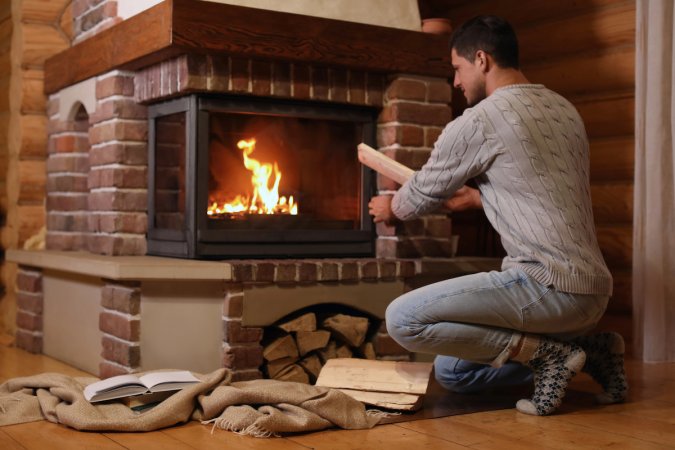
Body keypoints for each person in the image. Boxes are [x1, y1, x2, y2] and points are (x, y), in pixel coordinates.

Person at [368, 15, 628, 416]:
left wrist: (391, 208)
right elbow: (544, 187)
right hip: (591, 293)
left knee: (403, 319)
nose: (456, 82)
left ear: (481, 59)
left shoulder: (481, 120)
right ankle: (589, 352)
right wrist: (478, 199)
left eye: (457, 69)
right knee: (455, 372)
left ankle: (548, 357)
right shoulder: (564, 109)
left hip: (546, 286)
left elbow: (422, 191)